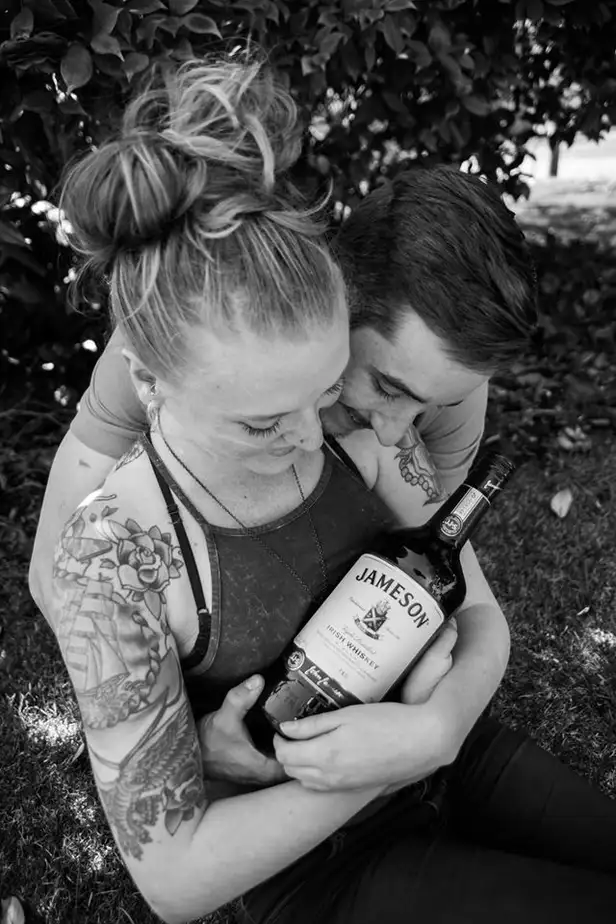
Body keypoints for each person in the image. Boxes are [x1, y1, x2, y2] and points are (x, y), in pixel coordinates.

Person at [40, 52, 616, 924]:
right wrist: (202, 747)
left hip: (442, 753)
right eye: (266, 422)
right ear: (148, 381)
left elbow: (472, 605)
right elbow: (174, 878)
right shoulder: (116, 545)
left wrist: (433, 732)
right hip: (313, 858)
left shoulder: (368, 433)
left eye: (322, 394)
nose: (323, 436)